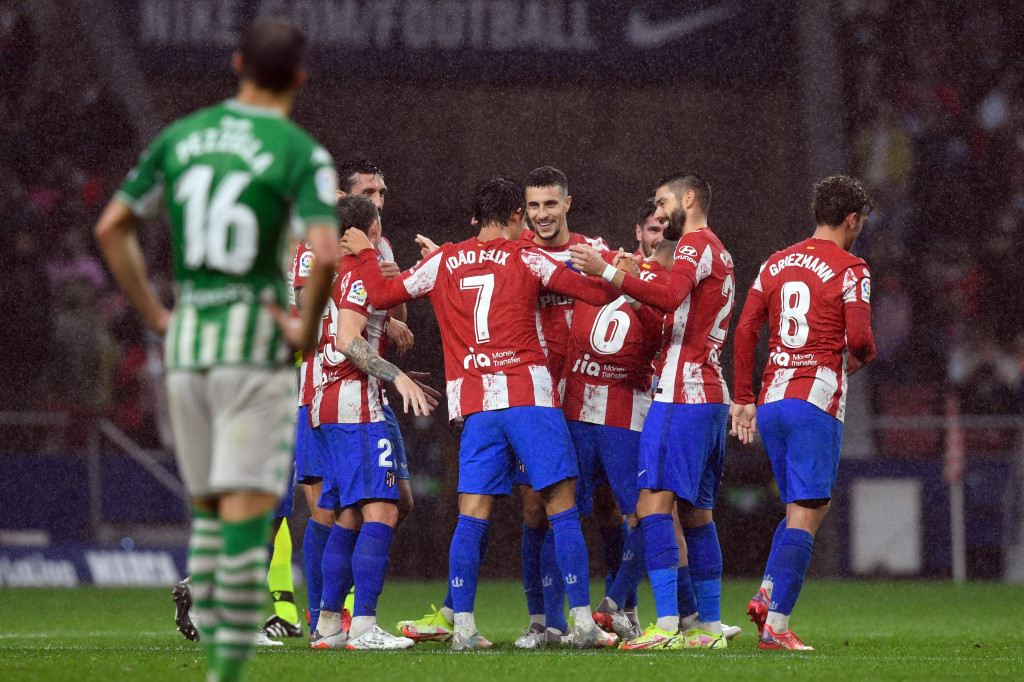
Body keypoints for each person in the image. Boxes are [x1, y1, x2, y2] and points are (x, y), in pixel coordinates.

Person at [95, 18, 340, 681]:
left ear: (236, 64)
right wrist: (305, 328)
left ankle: (202, 603)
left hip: (189, 348)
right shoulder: (298, 152)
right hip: (252, 347)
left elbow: (112, 227)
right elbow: (323, 257)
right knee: (252, 509)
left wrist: (157, 315)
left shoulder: (183, 137)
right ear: (298, 78)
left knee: (210, 502)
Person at [341, 177, 620, 650]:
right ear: (516, 217)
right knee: (562, 509)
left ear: (474, 218)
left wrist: (366, 254)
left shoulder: (444, 259)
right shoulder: (528, 257)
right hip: (530, 397)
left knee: (472, 515)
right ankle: (583, 623)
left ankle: (464, 629)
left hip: (476, 406)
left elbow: (381, 296)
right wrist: (608, 271)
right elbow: (595, 295)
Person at [570, 171, 734, 650]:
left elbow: (669, 297)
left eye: (664, 203)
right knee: (698, 515)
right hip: (710, 395)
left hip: (680, 393)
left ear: (688, 199)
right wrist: (638, 274)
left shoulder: (692, 245)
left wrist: (608, 272)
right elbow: (671, 310)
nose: (660, 214)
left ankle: (664, 626)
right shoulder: (718, 250)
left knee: (652, 507)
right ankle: (705, 626)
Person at [730, 175, 876, 651]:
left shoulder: (775, 263)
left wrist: (743, 395)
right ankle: (776, 625)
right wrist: (859, 359)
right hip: (814, 402)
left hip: (772, 401)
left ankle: (766, 592)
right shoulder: (852, 267)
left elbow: (747, 328)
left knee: (803, 508)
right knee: (809, 513)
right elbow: (861, 339)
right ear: (851, 219)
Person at [307, 194, 433, 650]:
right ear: (372, 230)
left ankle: (326, 624)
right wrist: (395, 375)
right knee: (383, 509)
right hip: (354, 407)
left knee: (347, 514)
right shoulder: (359, 271)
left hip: (327, 401)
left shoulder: (326, 271)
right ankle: (363, 625)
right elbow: (346, 339)